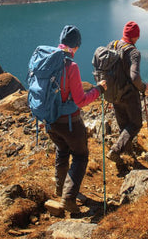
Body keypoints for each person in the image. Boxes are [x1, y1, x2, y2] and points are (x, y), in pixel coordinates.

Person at [48, 25, 106, 213]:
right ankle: (69, 199)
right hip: (69, 122)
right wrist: (99, 90)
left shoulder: (47, 60)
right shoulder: (70, 66)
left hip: (49, 121)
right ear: (76, 46)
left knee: (62, 150)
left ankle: (60, 188)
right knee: (81, 156)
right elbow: (80, 100)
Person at [106, 21, 148, 163]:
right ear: (134, 36)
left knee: (124, 126)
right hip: (129, 95)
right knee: (135, 124)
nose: (138, 39)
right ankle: (116, 150)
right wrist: (143, 88)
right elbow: (134, 77)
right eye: (137, 36)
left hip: (114, 94)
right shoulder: (133, 52)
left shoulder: (112, 45)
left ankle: (127, 154)